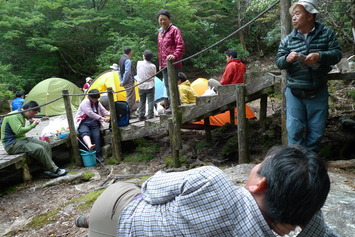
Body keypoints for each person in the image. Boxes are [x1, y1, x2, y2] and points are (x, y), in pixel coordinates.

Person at [74, 145, 339, 236]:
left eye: (260, 165)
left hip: (115, 217)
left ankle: (87, 221)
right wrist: (301, 210)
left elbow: (152, 189)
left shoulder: (212, 181)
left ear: (259, 183)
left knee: (134, 188)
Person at [275, 0, 342, 151]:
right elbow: (278, 62)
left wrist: (319, 56)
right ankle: (296, 165)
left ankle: (310, 164)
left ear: (310, 15)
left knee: (316, 133)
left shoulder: (327, 33)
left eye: (297, 14)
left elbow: (337, 54)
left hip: (318, 90)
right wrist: (286, 59)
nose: (293, 18)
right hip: (294, 92)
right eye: (292, 15)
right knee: (294, 131)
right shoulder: (288, 40)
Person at [1, 101, 68, 178]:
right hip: (11, 144)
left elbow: (20, 132)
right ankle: (55, 169)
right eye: (34, 113)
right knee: (39, 149)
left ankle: (47, 170)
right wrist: (33, 125)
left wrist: (30, 123)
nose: (34, 115)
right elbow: (18, 131)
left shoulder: (22, 115)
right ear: (29, 109)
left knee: (45, 145)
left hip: (21, 140)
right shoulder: (14, 115)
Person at [157, 9, 185, 111]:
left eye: (164, 19)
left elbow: (180, 46)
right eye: (160, 20)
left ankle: (175, 105)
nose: (162, 22)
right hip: (164, 64)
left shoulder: (174, 30)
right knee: (166, 85)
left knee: (172, 84)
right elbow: (160, 50)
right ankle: (173, 105)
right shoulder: (160, 33)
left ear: (169, 19)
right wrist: (160, 63)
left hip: (173, 63)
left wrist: (174, 55)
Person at [75, 89, 110, 161]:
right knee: (85, 132)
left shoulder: (97, 102)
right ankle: (89, 145)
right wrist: (102, 119)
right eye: (94, 98)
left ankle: (98, 154)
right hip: (83, 121)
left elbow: (103, 111)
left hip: (94, 122)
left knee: (97, 136)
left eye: (97, 98)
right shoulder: (85, 102)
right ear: (90, 97)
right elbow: (90, 113)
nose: (95, 100)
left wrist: (111, 114)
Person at [136, 50, 156, 121]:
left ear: (144, 56)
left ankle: (141, 114)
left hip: (141, 84)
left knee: (142, 100)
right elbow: (154, 76)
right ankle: (150, 115)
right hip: (150, 84)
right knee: (150, 100)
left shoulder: (139, 63)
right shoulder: (153, 66)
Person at [118, 47, 136, 116]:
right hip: (128, 81)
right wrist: (124, 81)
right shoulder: (127, 60)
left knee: (130, 96)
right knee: (130, 98)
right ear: (130, 52)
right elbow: (127, 72)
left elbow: (119, 71)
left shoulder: (121, 59)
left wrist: (121, 80)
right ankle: (128, 113)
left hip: (124, 81)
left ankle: (129, 112)